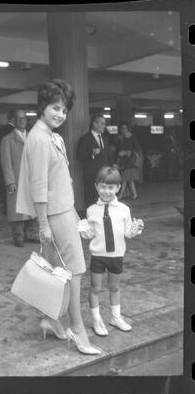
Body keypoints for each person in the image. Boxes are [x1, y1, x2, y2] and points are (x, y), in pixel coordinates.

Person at [16, 79, 102, 355]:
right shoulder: (39, 138)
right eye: (55, 108)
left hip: (64, 211)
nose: (60, 115)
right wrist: (43, 224)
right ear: (43, 107)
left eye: (64, 110)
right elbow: (38, 185)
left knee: (61, 272)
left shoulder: (52, 136)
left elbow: (59, 179)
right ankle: (77, 329)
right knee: (74, 270)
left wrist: (75, 215)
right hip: (54, 215)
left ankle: (52, 320)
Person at [79, 166, 144, 336]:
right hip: (98, 256)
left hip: (116, 255)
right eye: (102, 187)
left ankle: (115, 316)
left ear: (117, 187)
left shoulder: (124, 209)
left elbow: (128, 232)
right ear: (96, 187)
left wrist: (136, 228)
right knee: (95, 288)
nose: (106, 191)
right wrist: (83, 229)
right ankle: (96, 319)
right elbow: (90, 234)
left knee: (114, 287)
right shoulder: (91, 210)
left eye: (110, 187)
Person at [0, 109, 38, 247]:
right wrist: (10, 182)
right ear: (14, 121)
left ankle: (32, 234)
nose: (22, 121)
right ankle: (18, 237)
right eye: (19, 118)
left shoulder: (32, 137)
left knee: (32, 207)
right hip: (17, 178)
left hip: (31, 179)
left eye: (24, 118)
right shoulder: (7, 139)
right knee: (17, 209)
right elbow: (6, 163)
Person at [77, 114, 114, 208]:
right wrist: (92, 154)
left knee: (105, 199)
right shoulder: (85, 138)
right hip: (91, 176)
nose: (104, 126)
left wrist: (111, 169)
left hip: (105, 176)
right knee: (91, 200)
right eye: (102, 124)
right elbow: (79, 156)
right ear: (94, 124)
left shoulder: (105, 139)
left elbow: (108, 156)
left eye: (105, 124)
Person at [116, 122, 141, 200]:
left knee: (124, 178)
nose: (123, 130)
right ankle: (134, 195)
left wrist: (127, 152)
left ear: (128, 129)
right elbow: (117, 148)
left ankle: (121, 195)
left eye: (125, 128)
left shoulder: (132, 137)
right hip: (122, 160)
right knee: (129, 179)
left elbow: (137, 148)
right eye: (122, 128)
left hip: (130, 160)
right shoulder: (119, 138)